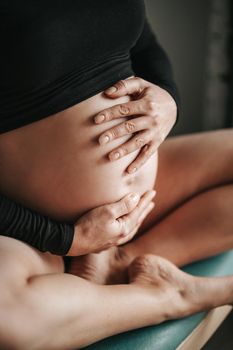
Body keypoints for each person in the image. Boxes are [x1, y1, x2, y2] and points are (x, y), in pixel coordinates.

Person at [0, 1, 233, 349]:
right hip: (27, 228)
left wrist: (168, 99)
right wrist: (64, 238)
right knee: (10, 320)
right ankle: (172, 298)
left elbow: (143, 43)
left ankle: (123, 261)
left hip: (139, 205)